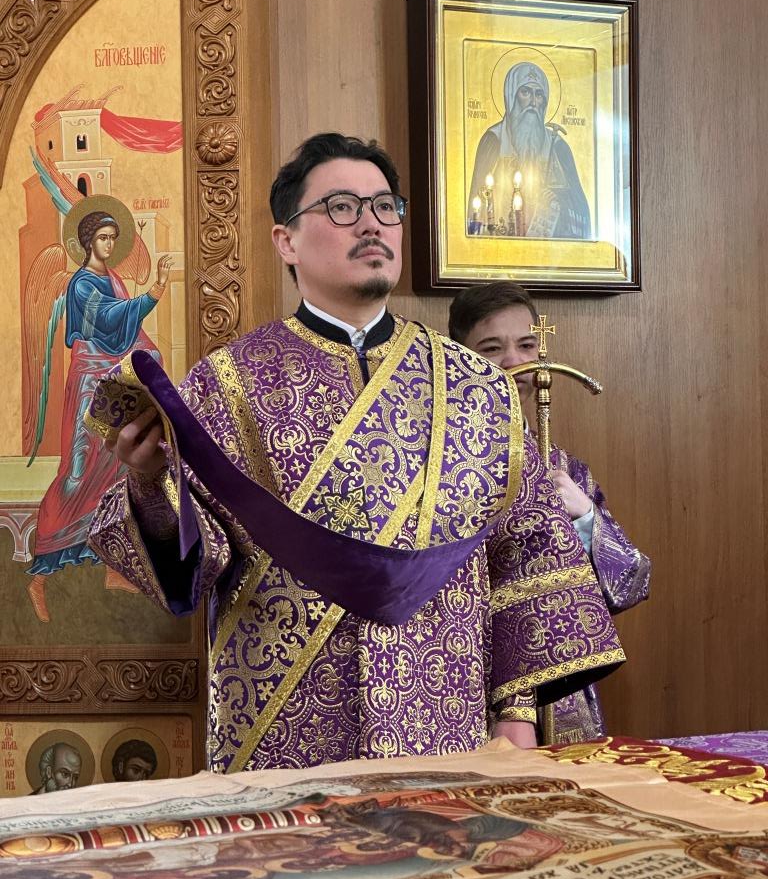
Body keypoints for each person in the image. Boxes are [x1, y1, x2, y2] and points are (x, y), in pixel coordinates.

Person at [88, 133, 625, 772]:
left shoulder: (476, 386)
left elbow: (527, 549)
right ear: (286, 240)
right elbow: (190, 567)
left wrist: (516, 713)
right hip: (283, 721)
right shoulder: (226, 384)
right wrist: (149, 483)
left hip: (444, 720)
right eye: (342, 207)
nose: (371, 223)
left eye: (385, 206)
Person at [449, 280, 650, 742]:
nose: (513, 361)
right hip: (471, 677)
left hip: (558, 686)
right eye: (492, 348)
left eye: (526, 345)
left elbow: (632, 580)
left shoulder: (564, 469)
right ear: (458, 356)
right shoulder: (444, 469)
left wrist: (584, 517)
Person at [26, 207, 173, 622]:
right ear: (89, 242)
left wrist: (149, 360)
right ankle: (39, 577)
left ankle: (114, 568)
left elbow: (129, 335)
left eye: (113, 237)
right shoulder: (81, 284)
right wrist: (154, 292)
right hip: (89, 384)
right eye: (103, 237)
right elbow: (109, 320)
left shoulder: (115, 280)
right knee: (77, 473)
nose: (109, 244)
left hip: (114, 385)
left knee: (117, 471)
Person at [467, 61, 590, 239]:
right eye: (525, 92)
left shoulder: (557, 147)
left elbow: (580, 210)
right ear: (511, 96)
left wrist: (556, 201)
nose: (533, 102)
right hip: (499, 243)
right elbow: (475, 207)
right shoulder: (493, 141)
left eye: (539, 95)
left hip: (549, 245)